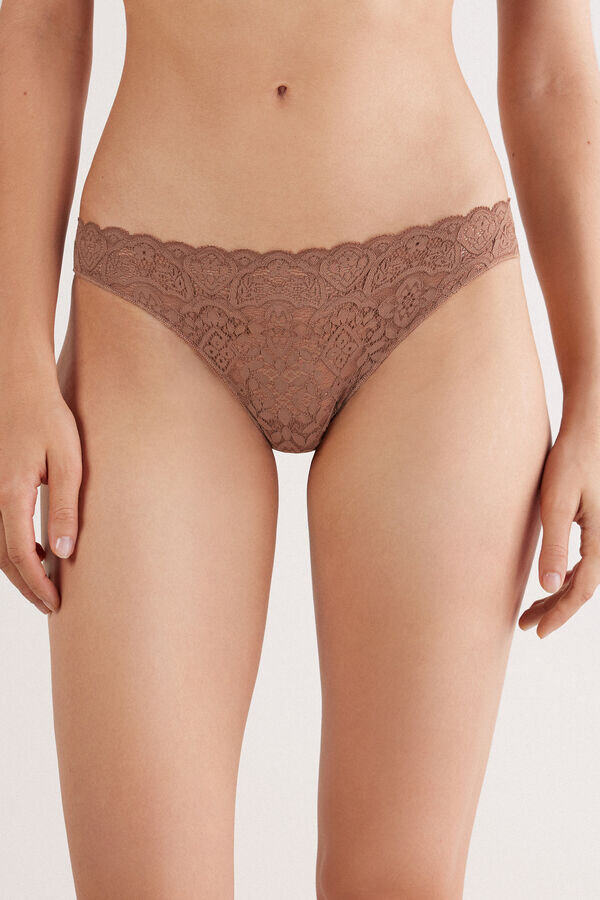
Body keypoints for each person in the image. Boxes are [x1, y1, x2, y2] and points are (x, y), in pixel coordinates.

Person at [0, 0, 598, 897]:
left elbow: (551, 60)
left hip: (434, 298)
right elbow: (38, 26)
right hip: (151, 299)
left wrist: (596, 382)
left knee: (398, 883)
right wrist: (14, 369)